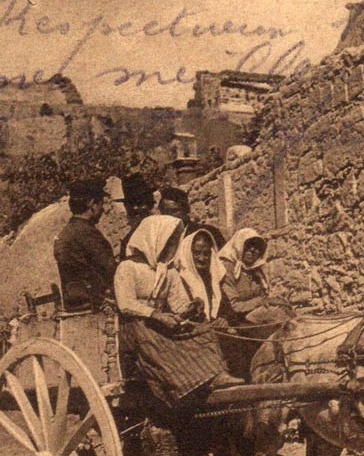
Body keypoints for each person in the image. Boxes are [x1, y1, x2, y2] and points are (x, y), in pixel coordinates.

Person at [115, 215, 242, 407]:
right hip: (135, 328)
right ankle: (184, 384)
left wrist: (192, 307)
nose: (170, 248)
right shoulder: (127, 268)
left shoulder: (168, 271)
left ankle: (215, 374)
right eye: (167, 242)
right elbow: (125, 304)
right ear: (154, 240)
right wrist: (156, 315)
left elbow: (178, 303)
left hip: (158, 325)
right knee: (154, 338)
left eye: (172, 243)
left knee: (203, 330)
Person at [53, 177, 115, 311]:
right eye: (101, 204)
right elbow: (110, 271)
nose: (103, 209)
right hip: (97, 305)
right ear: (92, 204)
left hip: (74, 304)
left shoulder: (65, 233)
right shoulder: (87, 234)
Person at [218, 228, 293, 327]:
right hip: (235, 321)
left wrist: (274, 301)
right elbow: (233, 306)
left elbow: (262, 297)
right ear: (239, 246)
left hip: (253, 317)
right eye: (248, 245)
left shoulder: (256, 271)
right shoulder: (228, 268)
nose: (252, 250)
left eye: (257, 247)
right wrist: (262, 302)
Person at [168, 226, 226, 323]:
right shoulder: (177, 278)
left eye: (206, 254)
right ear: (187, 253)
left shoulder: (213, 278)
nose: (201, 259)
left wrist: (223, 319)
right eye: (197, 253)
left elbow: (225, 308)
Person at [158, 186, 226, 248]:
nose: (170, 216)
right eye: (165, 212)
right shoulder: (159, 238)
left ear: (186, 209)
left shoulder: (208, 232)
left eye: (174, 211)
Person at [115, 172, 157, 259]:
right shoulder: (128, 239)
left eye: (139, 203)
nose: (135, 208)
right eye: (131, 204)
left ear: (149, 204)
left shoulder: (160, 229)